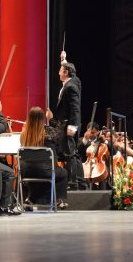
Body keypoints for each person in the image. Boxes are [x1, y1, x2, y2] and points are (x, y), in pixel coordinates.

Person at [20, 107, 68, 209]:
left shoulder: (24, 134)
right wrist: (51, 119)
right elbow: (60, 134)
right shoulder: (48, 132)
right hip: (45, 171)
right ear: (42, 119)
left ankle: (30, 200)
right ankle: (59, 200)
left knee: (40, 171)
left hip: (26, 171)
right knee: (63, 173)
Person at [46, 58, 82, 187]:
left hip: (69, 124)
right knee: (73, 153)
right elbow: (74, 74)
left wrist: (72, 126)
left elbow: (75, 109)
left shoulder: (71, 86)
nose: (58, 73)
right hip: (68, 123)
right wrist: (63, 60)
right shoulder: (74, 82)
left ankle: (73, 182)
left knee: (70, 153)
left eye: (61, 70)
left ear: (66, 72)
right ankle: (80, 182)